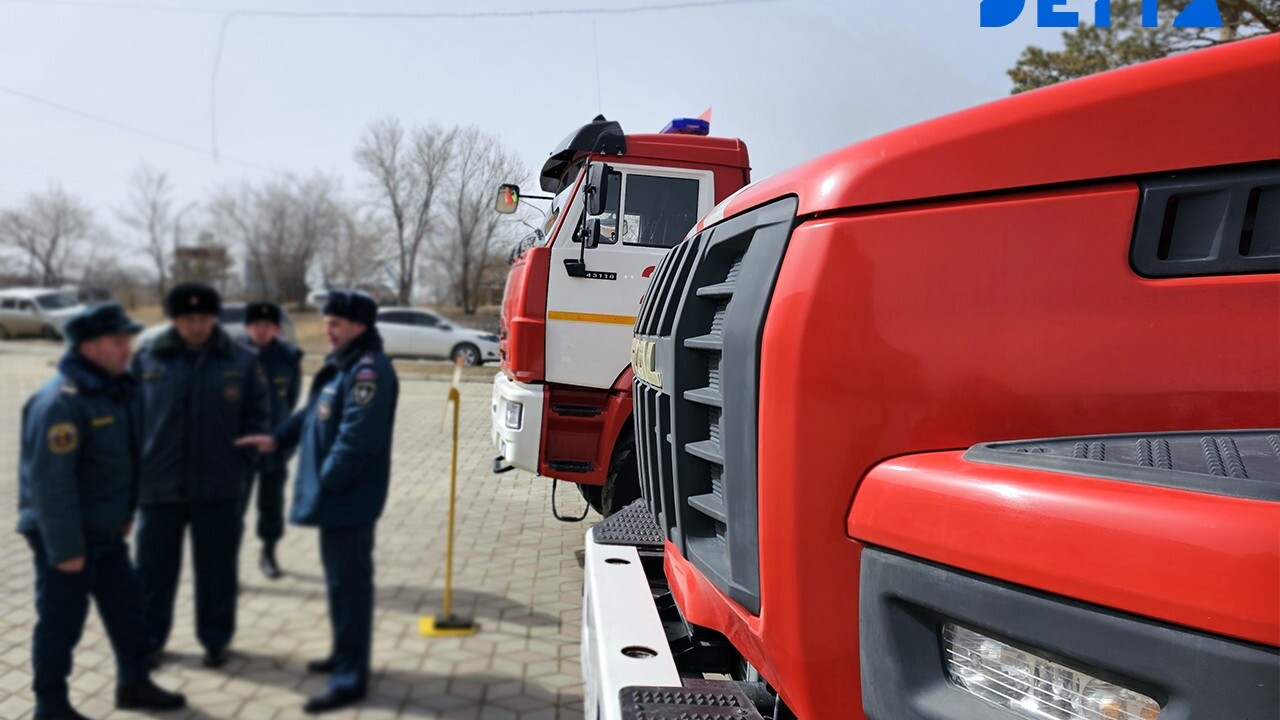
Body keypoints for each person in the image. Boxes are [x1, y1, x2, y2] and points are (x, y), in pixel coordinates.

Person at [17, 303, 187, 720]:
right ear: (89, 347)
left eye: (128, 340)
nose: (128, 349)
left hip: (107, 532)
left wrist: (126, 513)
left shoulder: (116, 390)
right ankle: (50, 706)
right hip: (67, 540)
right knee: (61, 625)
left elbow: (128, 459)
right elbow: (50, 486)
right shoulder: (60, 402)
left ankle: (134, 683)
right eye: (118, 342)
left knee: (129, 613)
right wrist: (66, 550)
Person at [237, 290, 399, 714]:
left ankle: (350, 677)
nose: (327, 330)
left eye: (336, 324)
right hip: (336, 501)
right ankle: (344, 655)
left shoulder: (369, 371)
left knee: (349, 586)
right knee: (339, 586)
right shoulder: (341, 364)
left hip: (347, 500)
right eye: (327, 322)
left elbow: (357, 440)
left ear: (359, 327)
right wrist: (277, 438)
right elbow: (311, 414)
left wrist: (325, 483)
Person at [132, 283, 271, 669]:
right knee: (153, 573)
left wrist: (240, 465)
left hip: (218, 489)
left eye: (204, 318)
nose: (197, 325)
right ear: (174, 319)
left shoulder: (241, 362)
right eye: (188, 318)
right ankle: (150, 640)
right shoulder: (145, 361)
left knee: (216, 572)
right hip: (158, 490)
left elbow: (259, 418)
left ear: (214, 318)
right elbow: (127, 422)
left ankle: (215, 640)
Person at [238, 301, 303, 579]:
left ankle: (269, 553)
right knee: (232, 509)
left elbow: (291, 399)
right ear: (247, 326)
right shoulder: (232, 356)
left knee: (272, 505)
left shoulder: (289, 357)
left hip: (275, 447)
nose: (262, 330)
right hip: (240, 448)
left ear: (276, 328)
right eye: (256, 325)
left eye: (267, 325)